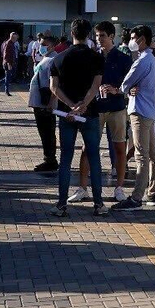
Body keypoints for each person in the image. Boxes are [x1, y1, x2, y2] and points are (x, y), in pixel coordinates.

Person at [50, 19, 106, 217]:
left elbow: (54, 87)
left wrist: (71, 106)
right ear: (88, 34)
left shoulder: (58, 59)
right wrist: (83, 105)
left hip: (66, 114)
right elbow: (96, 85)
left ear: (71, 33)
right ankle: (99, 204)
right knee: (94, 158)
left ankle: (61, 204)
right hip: (89, 114)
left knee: (65, 159)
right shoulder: (96, 57)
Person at [76, 21, 131, 203]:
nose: (99, 39)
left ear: (111, 37)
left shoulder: (123, 58)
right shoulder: (92, 56)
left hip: (116, 108)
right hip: (96, 109)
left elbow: (131, 84)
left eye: (102, 36)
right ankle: (82, 187)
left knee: (120, 147)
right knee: (87, 147)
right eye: (97, 35)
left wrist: (117, 90)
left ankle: (120, 187)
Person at [115, 25, 155, 209]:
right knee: (152, 155)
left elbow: (125, 83)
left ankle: (136, 197)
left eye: (134, 38)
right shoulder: (152, 60)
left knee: (141, 155)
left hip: (140, 111)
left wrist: (121, 90)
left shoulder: (143, 60)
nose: (131, 41)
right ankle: (153, 192)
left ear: (142, 39)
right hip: (149, 111)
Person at [27, 49, 59, 172]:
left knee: (47, 132)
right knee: (44, 132)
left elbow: (54, 83)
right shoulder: (44, 60)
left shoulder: (51, 61)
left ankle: (50, 159)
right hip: (39, 102)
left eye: (44, 44)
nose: (41, 47)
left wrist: (51, 101)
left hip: (44, 104)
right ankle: (49, 158)